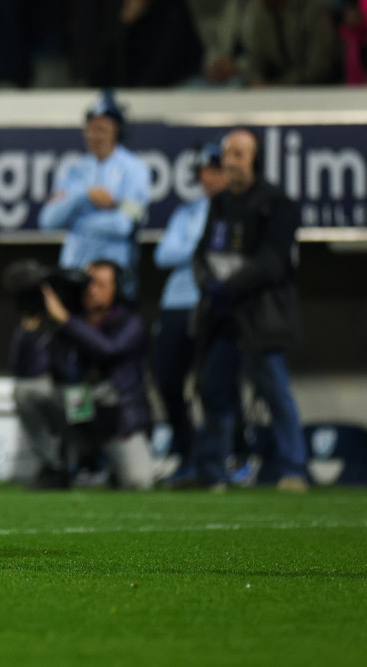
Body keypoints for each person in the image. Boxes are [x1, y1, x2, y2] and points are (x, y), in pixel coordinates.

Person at [193, 129, 307, 491]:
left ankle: (294, 469)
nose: (231, 162)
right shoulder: (221, 203)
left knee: (275, 389)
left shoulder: (276, 203)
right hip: (224, 314)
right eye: (228, 154)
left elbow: (273, 262)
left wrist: (228, 284)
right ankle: (215, 470)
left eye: (239, 155)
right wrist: (207, 282)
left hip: (261, 312)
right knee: (213, 388)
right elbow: (201, 253)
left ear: (255, 160)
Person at [10, 260, 153, 490]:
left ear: (118, 289)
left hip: (118, 421)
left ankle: (106, 468)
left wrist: (66, 320)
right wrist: (29, 327)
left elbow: (108, 349)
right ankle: (56, 465)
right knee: (27, 392)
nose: (91, 290)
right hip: (80, 411)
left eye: (100, 284)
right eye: (87, 284)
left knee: (138, 482)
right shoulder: (69, 324)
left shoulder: (129, 323)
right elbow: (27, 371)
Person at [151, 143, 225, 482]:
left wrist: (193, 248)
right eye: (204, 172)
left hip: (212, 303)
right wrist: (200, 245)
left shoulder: (235, 211)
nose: (208, 178)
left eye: (215, 170)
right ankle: (187, 453)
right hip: (175, 303)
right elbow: (163, 255)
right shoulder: (188, 212)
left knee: (213, 386)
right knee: (166, 380)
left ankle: (215, 461)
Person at [38, 91, 151, 301]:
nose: (96, 136)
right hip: (73, 275)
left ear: (116, 131)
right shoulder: (73, 170)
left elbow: (122, 225)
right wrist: (85, 195)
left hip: (113, 281)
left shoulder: (135, 170)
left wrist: (74, 222)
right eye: (91, 129)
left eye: (103, 129)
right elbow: (47, 221)